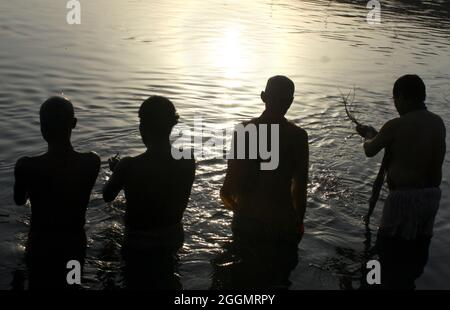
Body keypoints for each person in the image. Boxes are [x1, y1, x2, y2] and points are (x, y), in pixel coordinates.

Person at [356, 74, 446, 289]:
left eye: (395, 99)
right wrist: (381, 136)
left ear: (402, 97)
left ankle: (375, 284)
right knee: (416, 252)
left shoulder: (396, 125)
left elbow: (370, 150)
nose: (395, 105)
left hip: (402, 201)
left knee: (386, 254)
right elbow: (411, 149)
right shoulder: (438, 123)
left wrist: (368, 135)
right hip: (431, 198)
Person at [219, 76, 308, 288]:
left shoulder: (243, 132)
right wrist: (299, 223)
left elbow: (228, 189)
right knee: (278, 281)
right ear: (291, 101)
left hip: (248, 222)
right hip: (282, 224)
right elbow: (300, 188)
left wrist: (239, 211)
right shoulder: (297, 136)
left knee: (241, 284)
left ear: (263, 97)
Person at [103, 96, 195, 289]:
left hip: (138, 243)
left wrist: (118, 171)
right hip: (173, 237)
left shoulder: (129, 165)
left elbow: (107, 195)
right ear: (171, 125)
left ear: (142, 127)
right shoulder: (187, 160)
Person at [13, 96, 100, 289]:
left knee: (38, 285)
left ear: (42, 128)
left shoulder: (26, 165)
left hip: (39, 247)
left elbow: (19, 200)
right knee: (73, 285)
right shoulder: (91, 162)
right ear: (74, 124)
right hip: (74, 246)